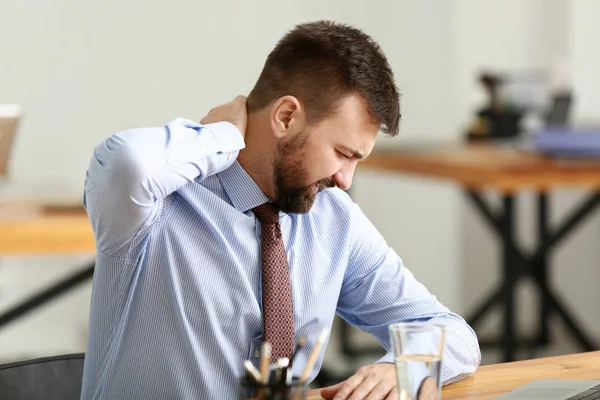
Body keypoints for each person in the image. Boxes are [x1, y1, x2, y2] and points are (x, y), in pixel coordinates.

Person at [80, 20, 480, 400]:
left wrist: (402, 366)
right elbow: (127, 161)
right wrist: (220, 135)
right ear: (285, 117)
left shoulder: (334, 221)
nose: (346, 180)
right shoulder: (154, 207)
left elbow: (451, 333)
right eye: (342, 154)